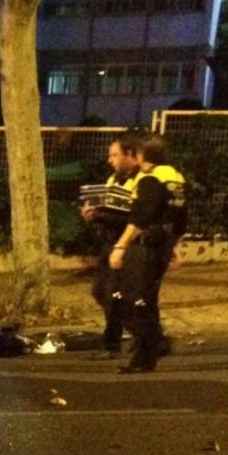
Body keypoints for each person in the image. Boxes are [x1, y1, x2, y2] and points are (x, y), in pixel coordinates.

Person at [109, 134, 186, 374]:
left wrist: (120, 246)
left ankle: (150, 348)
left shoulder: (150, 179)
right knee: (147, 300)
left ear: (141, 155)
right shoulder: (175, 178)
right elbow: (180, 217)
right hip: (162, 243)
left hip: (146, 247)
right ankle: (146, 355)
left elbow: (141, 217)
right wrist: (174, 245)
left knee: (134, 301)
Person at [81, 135, 140, 359]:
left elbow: (134, 218)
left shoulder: (139, 181)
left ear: (130, 155)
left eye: (114, 155)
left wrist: (102, 216)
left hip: (127, 244)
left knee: (115, 294)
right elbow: (107, 210)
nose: (110, 160)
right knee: (100, 292)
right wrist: (93, 215)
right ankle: (142, 333)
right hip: (110, 242)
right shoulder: (113, 180)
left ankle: (113, 343)